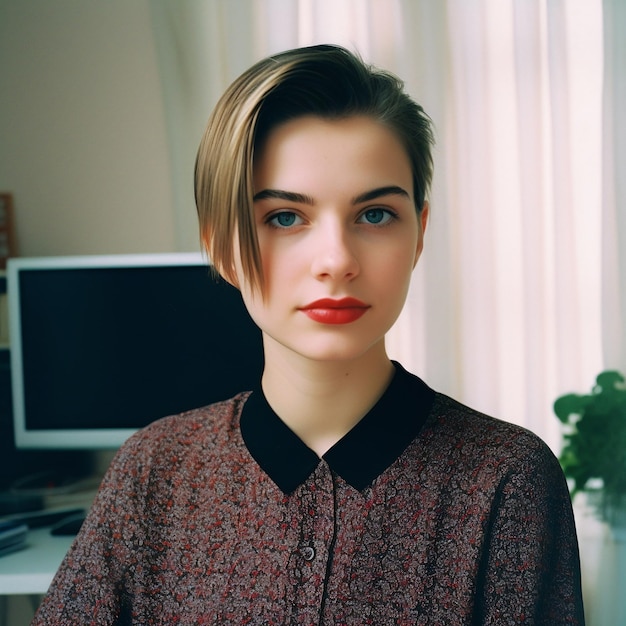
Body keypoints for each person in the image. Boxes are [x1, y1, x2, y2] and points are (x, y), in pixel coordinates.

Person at [32, 44, 585, 625]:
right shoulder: (154, 470)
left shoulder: (507, 478)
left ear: (418, 234)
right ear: (222, 245)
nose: (336, 260)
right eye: (285, 217)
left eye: (374, 215)